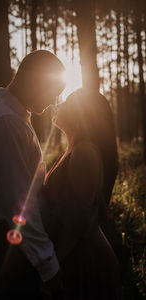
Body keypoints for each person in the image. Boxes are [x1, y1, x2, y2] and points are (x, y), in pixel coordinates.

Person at [0, 50, 66, 299]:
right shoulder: (6, 121)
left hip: (15, 244)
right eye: (52, 93)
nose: (52, 103)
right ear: (36, 81)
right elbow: (20, 205)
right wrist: (49, 266)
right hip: (12, 248)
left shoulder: (12, 115)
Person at [42, 88, 124, 299]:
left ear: (81, 115)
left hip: (82, 260)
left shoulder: (84, 153)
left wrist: (54, 265)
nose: (59, 104)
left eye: (68, 101)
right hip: (74, 255)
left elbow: (78, 222)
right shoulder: (74, 149)